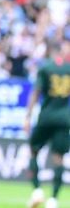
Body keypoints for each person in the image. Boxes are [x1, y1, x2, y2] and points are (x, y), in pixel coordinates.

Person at [24, 40, 70, 208]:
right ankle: (53, 200)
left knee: (33, 151)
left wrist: (28, 117)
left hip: (46, 117)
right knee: (59, 158)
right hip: (64, 119)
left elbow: (36, 93)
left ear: (51, 51)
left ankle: (37, 191)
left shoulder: (45, 68)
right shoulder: (68, 69)